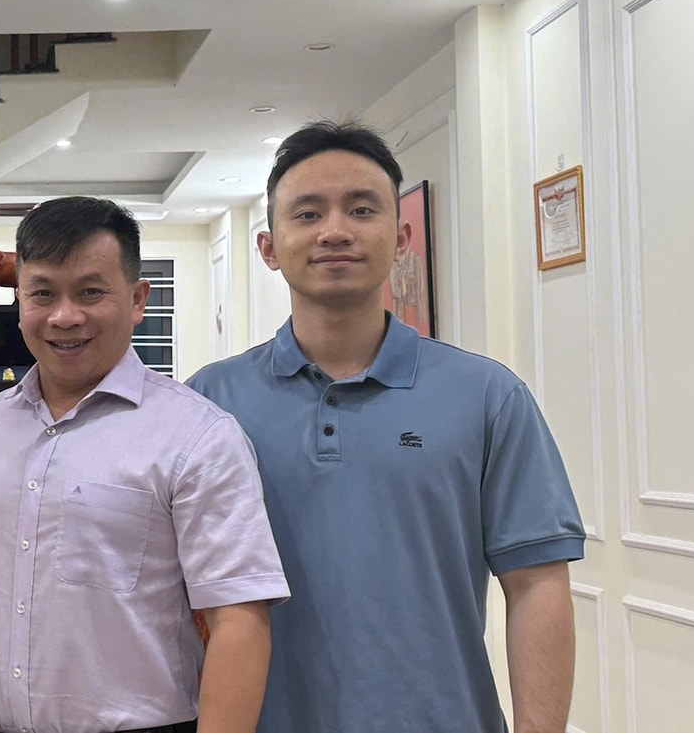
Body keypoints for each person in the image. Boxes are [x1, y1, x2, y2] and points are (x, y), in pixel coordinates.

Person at [189, 120, 584, 733]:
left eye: (361, 209)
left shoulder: (487, 396)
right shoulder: (209, 403)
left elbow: (536, 583)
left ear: (401, 238)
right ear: (269, 247)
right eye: (308, 214)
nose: (335, 231)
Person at [0, 196, 288, 733]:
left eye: (91, 292)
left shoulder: (197, 436)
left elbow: (239, 620)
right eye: (42, 293)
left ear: (137, 300)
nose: (65, 316)